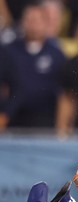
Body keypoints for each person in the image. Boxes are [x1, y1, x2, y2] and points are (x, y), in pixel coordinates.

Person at [0, 2, 66, 130]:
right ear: (22, 22)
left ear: (45, 23)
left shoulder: (56, 54)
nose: (33, 25)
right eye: (29, 20)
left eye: (37, 20)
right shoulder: (9, 51)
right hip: (12, 117)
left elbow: (63, 92)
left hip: (45, 119)